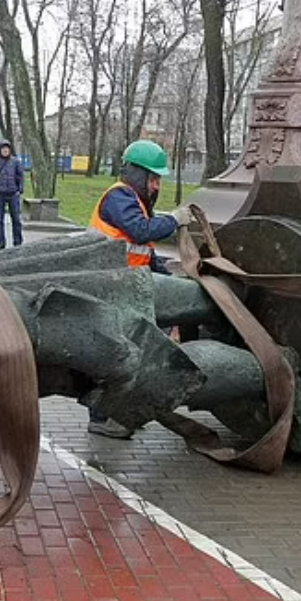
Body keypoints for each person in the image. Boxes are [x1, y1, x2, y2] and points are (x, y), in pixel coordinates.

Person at [85, 139, 193, 438]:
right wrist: (173, 220)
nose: (156, 186)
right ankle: (101, 418)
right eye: (153, 178)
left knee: (128, 356)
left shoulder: (133, 202)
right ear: (136, 174)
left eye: (158, 180)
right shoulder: (120, 197)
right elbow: (140, 231)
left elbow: (143, 252)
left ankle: (116, 414)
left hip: (126, 289)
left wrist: (171, 279)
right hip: (110, 288)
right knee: (112, 357)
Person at [0, 140, 24, 250]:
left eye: (7, 148)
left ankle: (18, 242)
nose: (5, 150)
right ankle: (1, 243)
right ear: (0, 150)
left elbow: (20, 176)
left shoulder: (15, 162)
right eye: (3, 148)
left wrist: (19, 190)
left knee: (16, 219)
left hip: (13, 194)